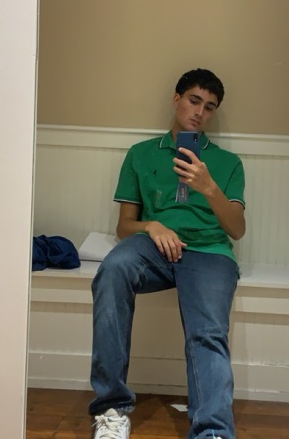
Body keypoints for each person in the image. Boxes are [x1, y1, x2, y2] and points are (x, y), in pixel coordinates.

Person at [88, 68, 246, 439]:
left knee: (208, 331)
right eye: (194, 100)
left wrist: (208, 187)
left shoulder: (228, 163)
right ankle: (111, 409)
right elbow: (124, 226)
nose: (200, 112)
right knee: (112, 270)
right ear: (176, 100)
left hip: (209, 251)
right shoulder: (141, 154)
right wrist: (152, 226)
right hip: (154, 247)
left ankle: (212, 431)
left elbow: (237, 229)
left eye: (209, 107)